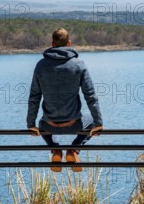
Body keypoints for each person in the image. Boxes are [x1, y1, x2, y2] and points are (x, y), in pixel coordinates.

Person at [27, 28, 103, 172]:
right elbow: (90, 95)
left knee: (40, 123)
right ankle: (73, 150)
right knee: (92, 122)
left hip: (49, 125)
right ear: (69, 44)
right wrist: (99, 123)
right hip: (74, 124)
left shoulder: (41, 65)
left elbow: (34, 97)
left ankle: (55, 150)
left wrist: (30, 124)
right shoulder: (78, 64)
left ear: (52, 43)